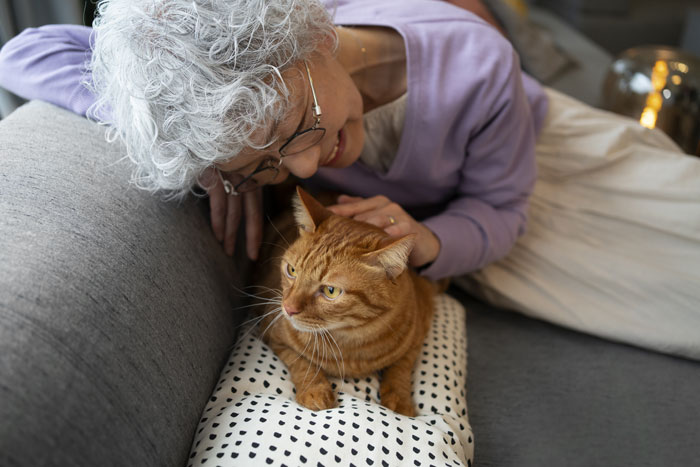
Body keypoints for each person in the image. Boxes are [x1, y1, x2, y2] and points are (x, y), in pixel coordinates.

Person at [1, 0, 699, 359]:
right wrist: (209, 151)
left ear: (317, 40)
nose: (308, 167)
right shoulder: (239, 74)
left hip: (541, 153)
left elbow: (501, 202)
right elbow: (25, 50)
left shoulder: (472, 63)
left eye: (301, 127)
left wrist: (431, 238)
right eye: (272, 163)